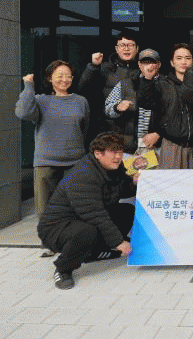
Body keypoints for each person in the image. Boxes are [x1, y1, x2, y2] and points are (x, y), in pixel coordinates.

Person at [37, 132, 137, 290]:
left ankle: (95, 253)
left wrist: (135, 182)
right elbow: (95, 214)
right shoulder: (83, 175)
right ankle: (63, 269)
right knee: (87, 232)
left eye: (120, 152)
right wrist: (118, 241)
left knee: (126, 211)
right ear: (98, 154)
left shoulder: (113, 168)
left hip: (83, 219)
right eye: (113, 152)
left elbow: (122, 190)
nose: (118, 157)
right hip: (56, 227)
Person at [15, 61, 90, 218]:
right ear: (50, 78)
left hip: (75, 163)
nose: (64, 79)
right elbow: (23, 113)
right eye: (60, 76)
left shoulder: (80, 101)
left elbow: (84, 130)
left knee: (74, 210)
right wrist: (28, 86)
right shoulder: (40, 100)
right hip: (46, 163)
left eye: (68, 76)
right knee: (45, 213)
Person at [78, 31, 140, 136]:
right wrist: (93, 67)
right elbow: (83, 89)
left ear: (137, 49)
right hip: (108, 129)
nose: (126, 48)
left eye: (130, 45)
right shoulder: (105, 68)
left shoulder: (144, 70)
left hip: (136, 130)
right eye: (122, 45)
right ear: (116, 49)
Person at [104, 49, 161, 155]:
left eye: (152, 62)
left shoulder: (167, 85)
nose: (149, 66)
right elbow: (107, 109)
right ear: (139, 64)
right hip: (128, 147)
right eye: (145, 62)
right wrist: (117, 107)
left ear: (158, 65)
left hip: (156, 147)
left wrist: (158, 134)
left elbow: (174, 117)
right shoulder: (126, 84)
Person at [157, 43, 193, 169]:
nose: (184, 62)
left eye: (188, 58)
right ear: (172, 63)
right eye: (179, 58)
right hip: (171, 144)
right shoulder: (163, 85)